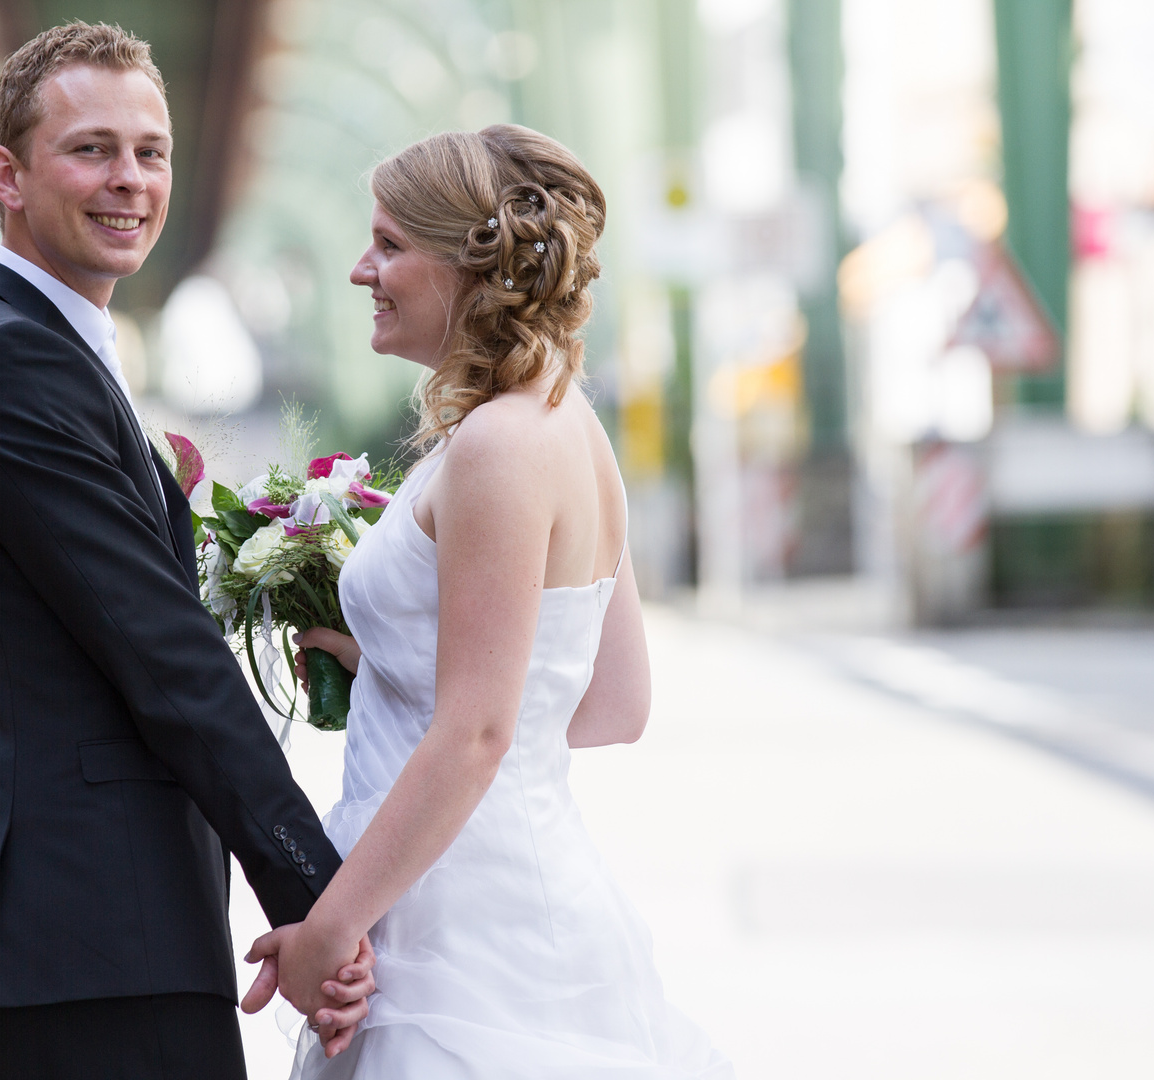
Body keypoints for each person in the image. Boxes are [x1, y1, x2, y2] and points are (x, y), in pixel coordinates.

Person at [0, 23, 372, 1080]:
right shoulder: (19, 368)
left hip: (15, 961)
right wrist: (320, 904)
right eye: (92, 148)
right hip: (94, 962)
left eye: (153, 152)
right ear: (5, 175)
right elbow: (167, 660)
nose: (131, 181)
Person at [242, 126, 734, 1077]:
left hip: (454, 927)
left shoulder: (498, 448)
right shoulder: (568, 425)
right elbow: (608, 705)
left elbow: (478, 733)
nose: (360, 270)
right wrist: (381, 661)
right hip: (525, 903)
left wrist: (329, 931)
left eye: (388, 244)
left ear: (470, 263)